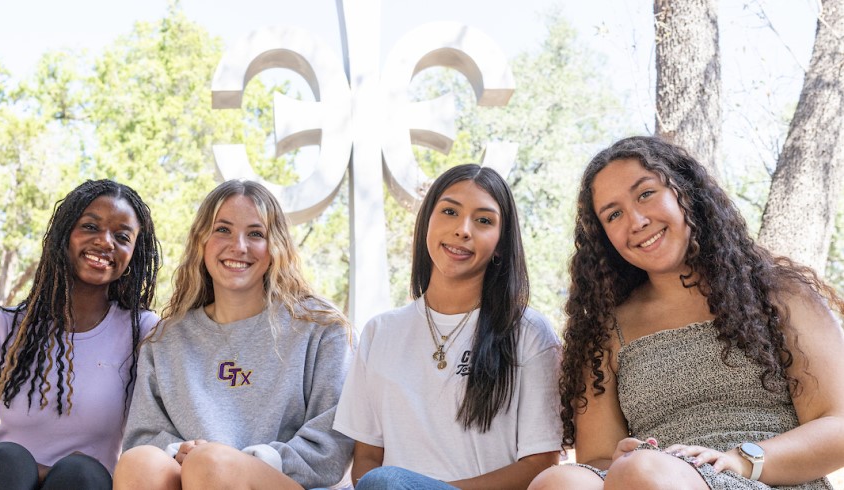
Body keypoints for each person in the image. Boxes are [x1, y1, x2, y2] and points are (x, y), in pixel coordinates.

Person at [528, 136, 844, 490]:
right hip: (652, 478)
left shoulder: (780, 293)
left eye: (645, 193)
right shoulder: (604, 329)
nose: (636, 220)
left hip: (766, 478)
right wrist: (623, 457)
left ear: (686, 190)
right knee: (558, 482)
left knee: (641, 472)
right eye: (613, 214)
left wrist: (741, 459)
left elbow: (838, 425)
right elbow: (598, 461)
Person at [333, 163, 562, 490]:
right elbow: (367, 457)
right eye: (450, 212)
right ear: (427, 220)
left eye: (483, 220)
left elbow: (540, 465)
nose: (463, 229)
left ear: (500, 244)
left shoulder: (528, 331)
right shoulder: (379, 333)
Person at [114, 179, 353, 490]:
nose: (238, 246)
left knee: (212, 465)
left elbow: (330, 447)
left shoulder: (321, 327)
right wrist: (179, 452)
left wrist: (242, 463)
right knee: (140, 463)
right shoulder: (167, 340)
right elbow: (143, 437)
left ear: (275, 247)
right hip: (194, 476)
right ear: (201, 241)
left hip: (287, 482)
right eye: (222, 230)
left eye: (256, 234)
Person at [0, 179, 162, 490]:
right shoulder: (5, 328)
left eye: (122, 236)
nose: (105, 242)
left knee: (82, 474)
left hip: (83, 486)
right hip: (1, 481)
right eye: (90, 226)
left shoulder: (143, 333)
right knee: (9, 460)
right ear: (64, 235)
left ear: (134, 253)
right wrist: (39, 473)